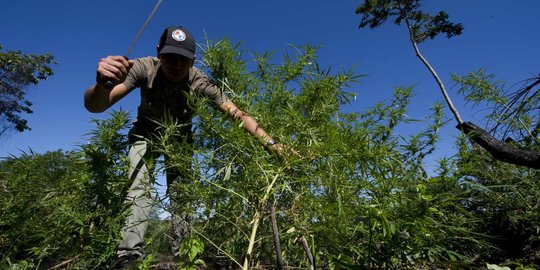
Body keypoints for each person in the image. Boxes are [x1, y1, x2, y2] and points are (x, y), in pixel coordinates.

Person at [83, 25, 282, 267]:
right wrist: (101, 83)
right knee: (139, 188)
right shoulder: (143, 68)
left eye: (183, 59)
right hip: (145, 134)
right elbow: (95, 106)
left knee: (183, 195)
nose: (176, 64)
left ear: (193, 59)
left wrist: (272, 144)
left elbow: (238, 115)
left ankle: (184, 254)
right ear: (158, 52)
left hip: (180, 140)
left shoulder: (201, 82)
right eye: (170, 57)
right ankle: (128, 257)